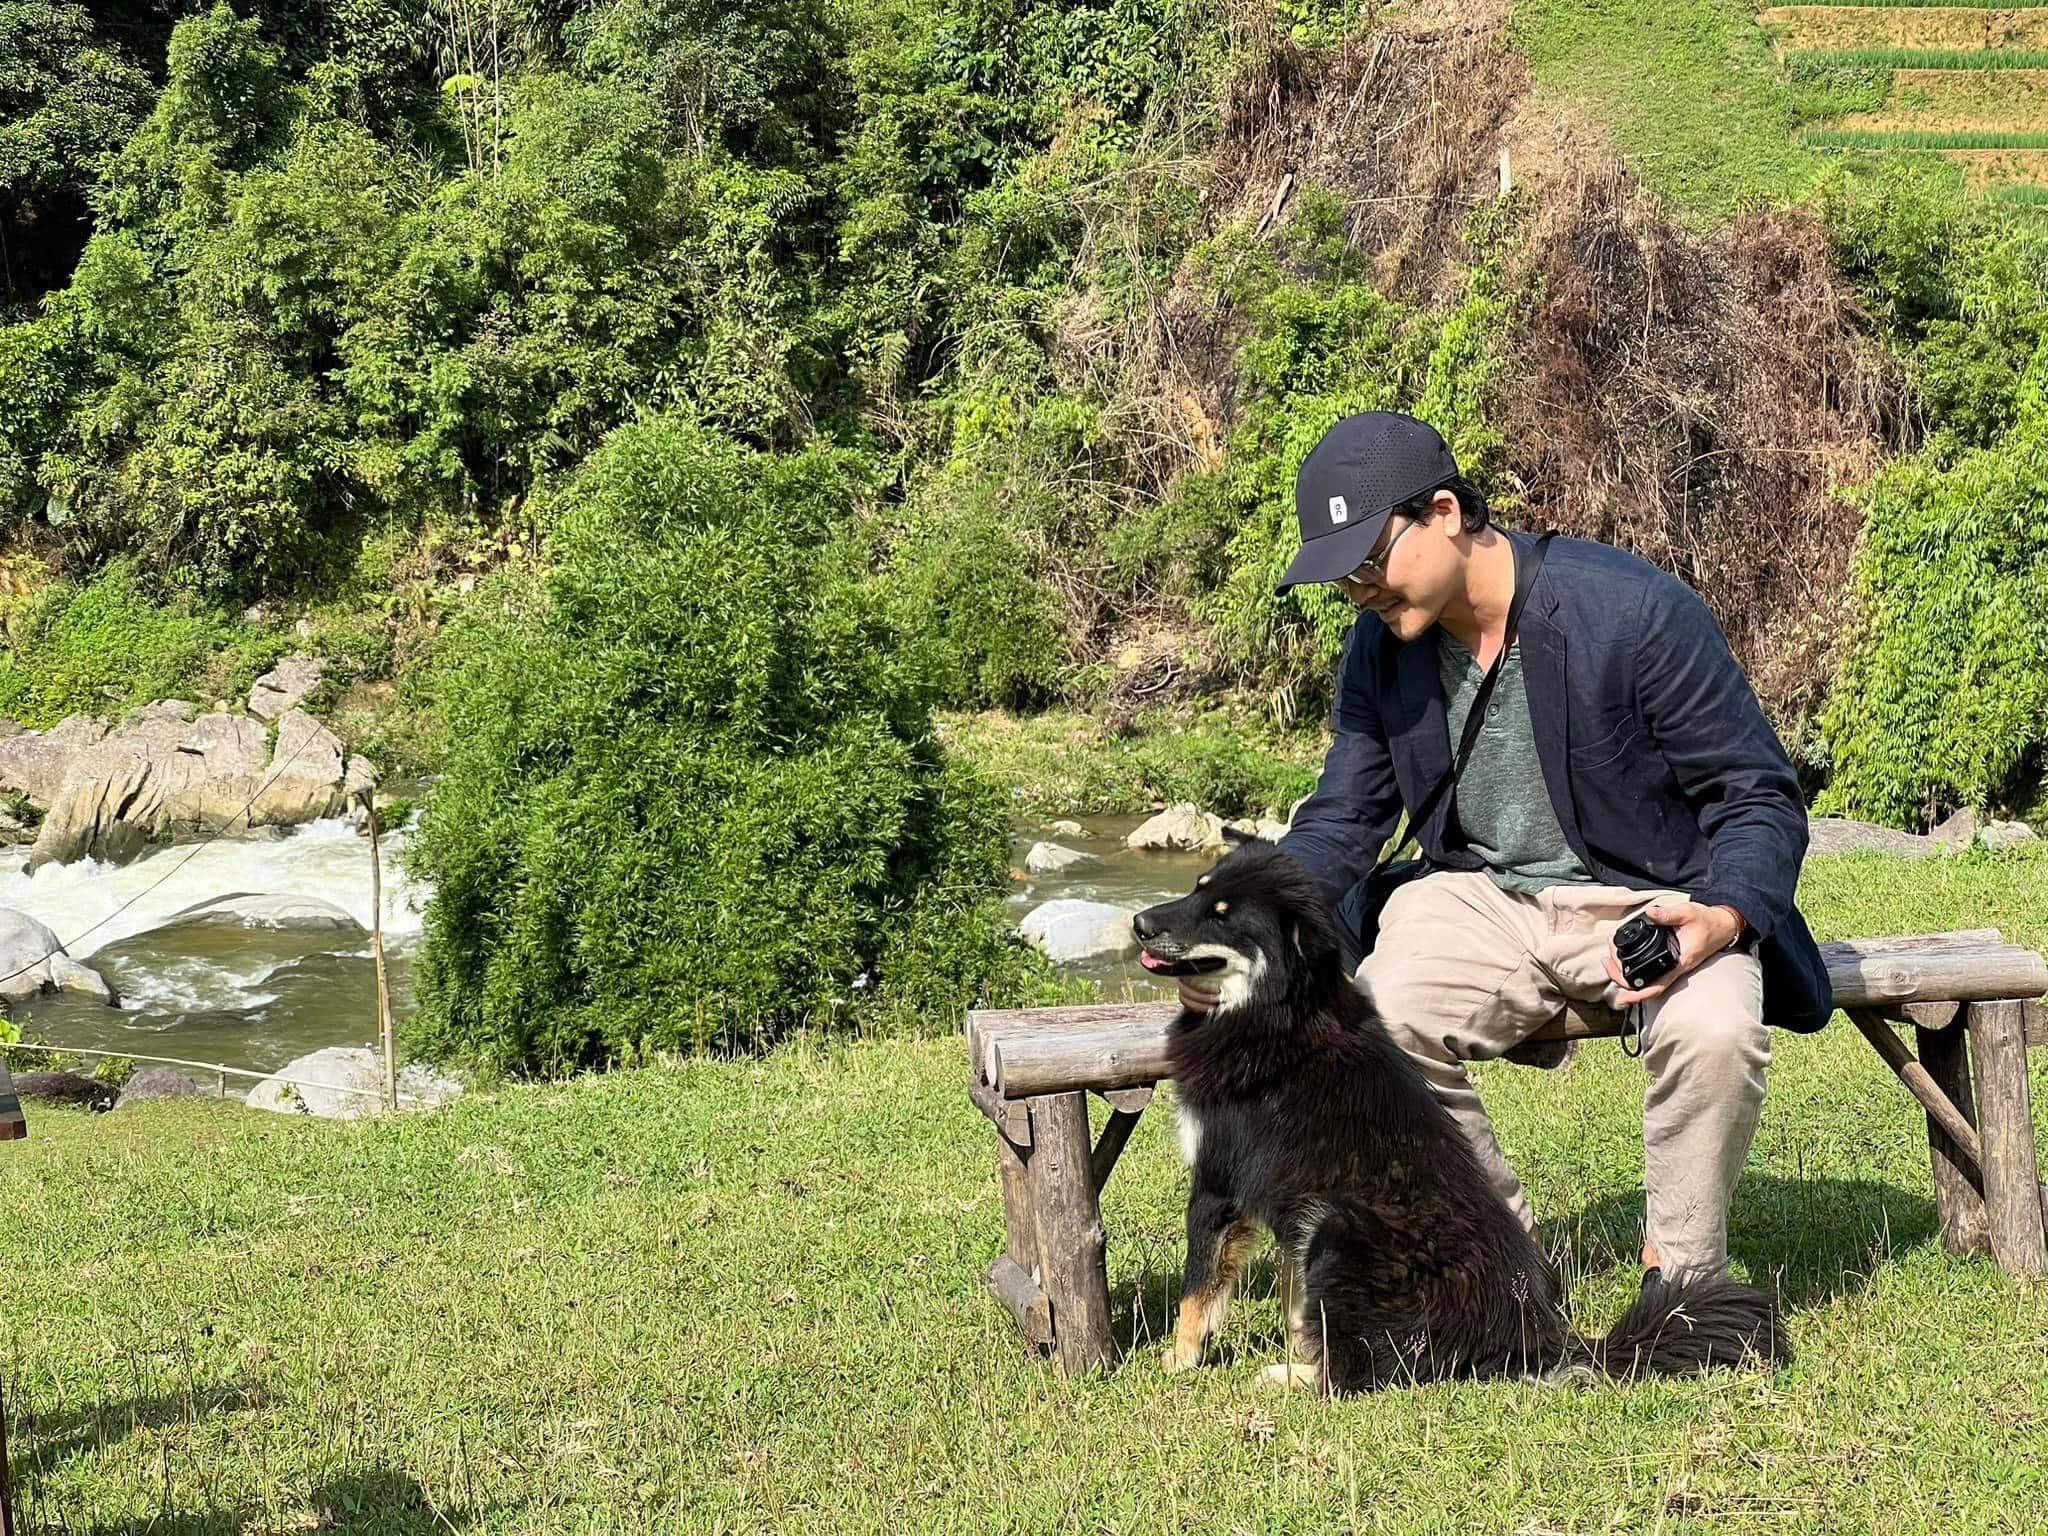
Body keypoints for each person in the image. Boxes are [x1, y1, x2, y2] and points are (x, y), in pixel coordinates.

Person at [1173, 410, 1831, 1290]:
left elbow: (1757, 795)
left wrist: (1719, 915)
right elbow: (1342, 821)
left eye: (1369, 561)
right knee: (1382, 1019)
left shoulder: (1633, 614)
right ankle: (1505, 1266)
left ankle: (1682, 1280)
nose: (1359, 591)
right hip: (1478, 898)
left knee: (1715, 1033)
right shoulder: (1380, 650)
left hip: (1652, 896)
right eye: (1343, 578)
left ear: (1444, 512)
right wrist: (1248, 926)